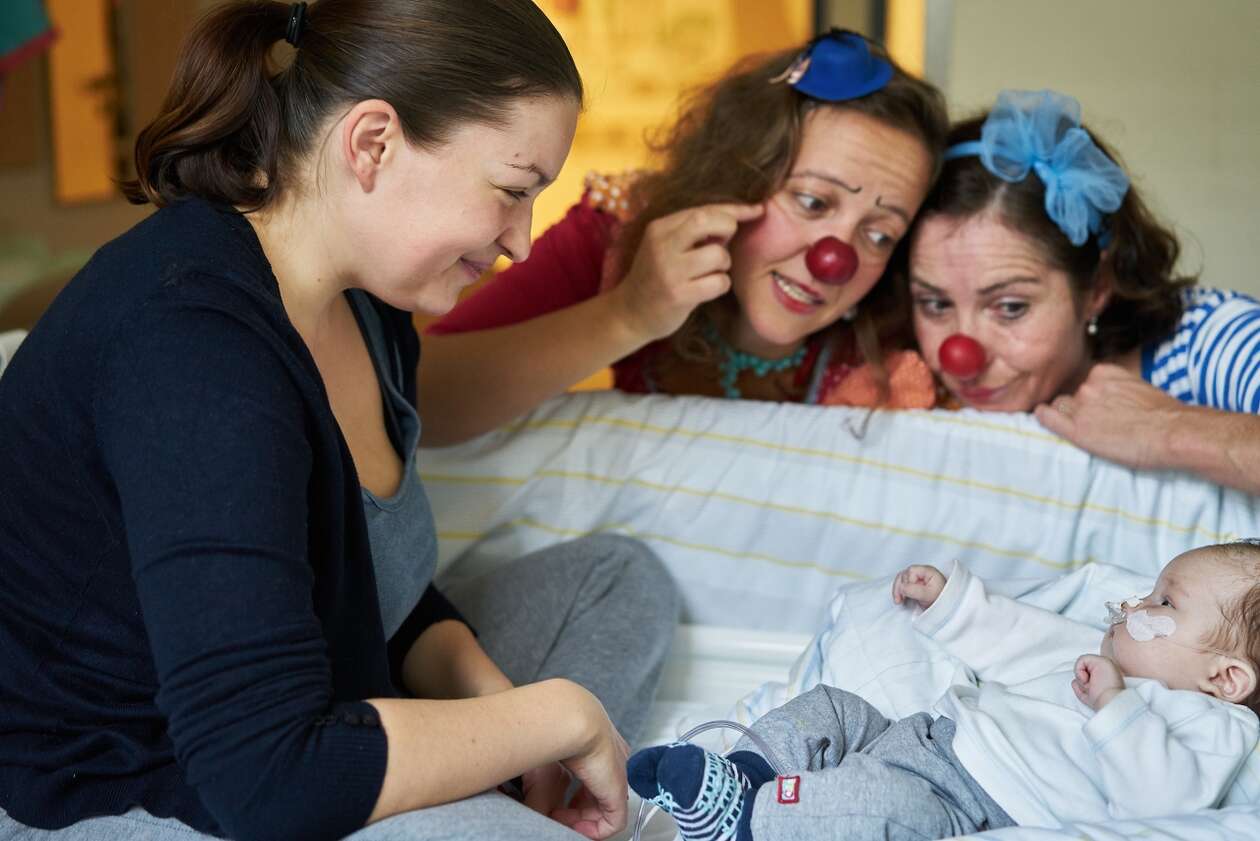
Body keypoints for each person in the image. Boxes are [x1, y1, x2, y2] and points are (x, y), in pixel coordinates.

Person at [0, 2, 679, 840]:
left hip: (319, 699)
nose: (523, 242)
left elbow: (363, 573)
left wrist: (495, 702)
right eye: (511, 192)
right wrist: (555, 718)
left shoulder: (367, 300)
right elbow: (264, 771)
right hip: (150, 779)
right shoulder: (191, 349)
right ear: (372, 144)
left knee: (619, 579)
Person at [416, 30, 949, 446]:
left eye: (880, 234)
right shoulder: (619, 232)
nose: (835, 260)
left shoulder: (908, 323)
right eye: (812, 201)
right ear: (739, 176)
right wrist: (630, 314)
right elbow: (419, 402)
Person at [627, 540, 1260, 841]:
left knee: (875, 804)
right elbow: (1019, 638)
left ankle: (745, 822)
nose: (1133, 603)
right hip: (929, 737)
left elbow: (1163, 798)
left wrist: (1117, 708)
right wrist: (953, 603)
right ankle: (744, 770)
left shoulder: (1216, 729)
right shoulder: (1103, 654)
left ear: (1225, 678)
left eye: (1164, 602)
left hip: (971, 801)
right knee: (835, 710)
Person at [902, 89, 1260, 494]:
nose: (960, 358)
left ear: (1097, 288)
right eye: (935, 303)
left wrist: (1168, 428)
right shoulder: (899, 377)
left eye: (1011, 307)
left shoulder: (1207, 338)